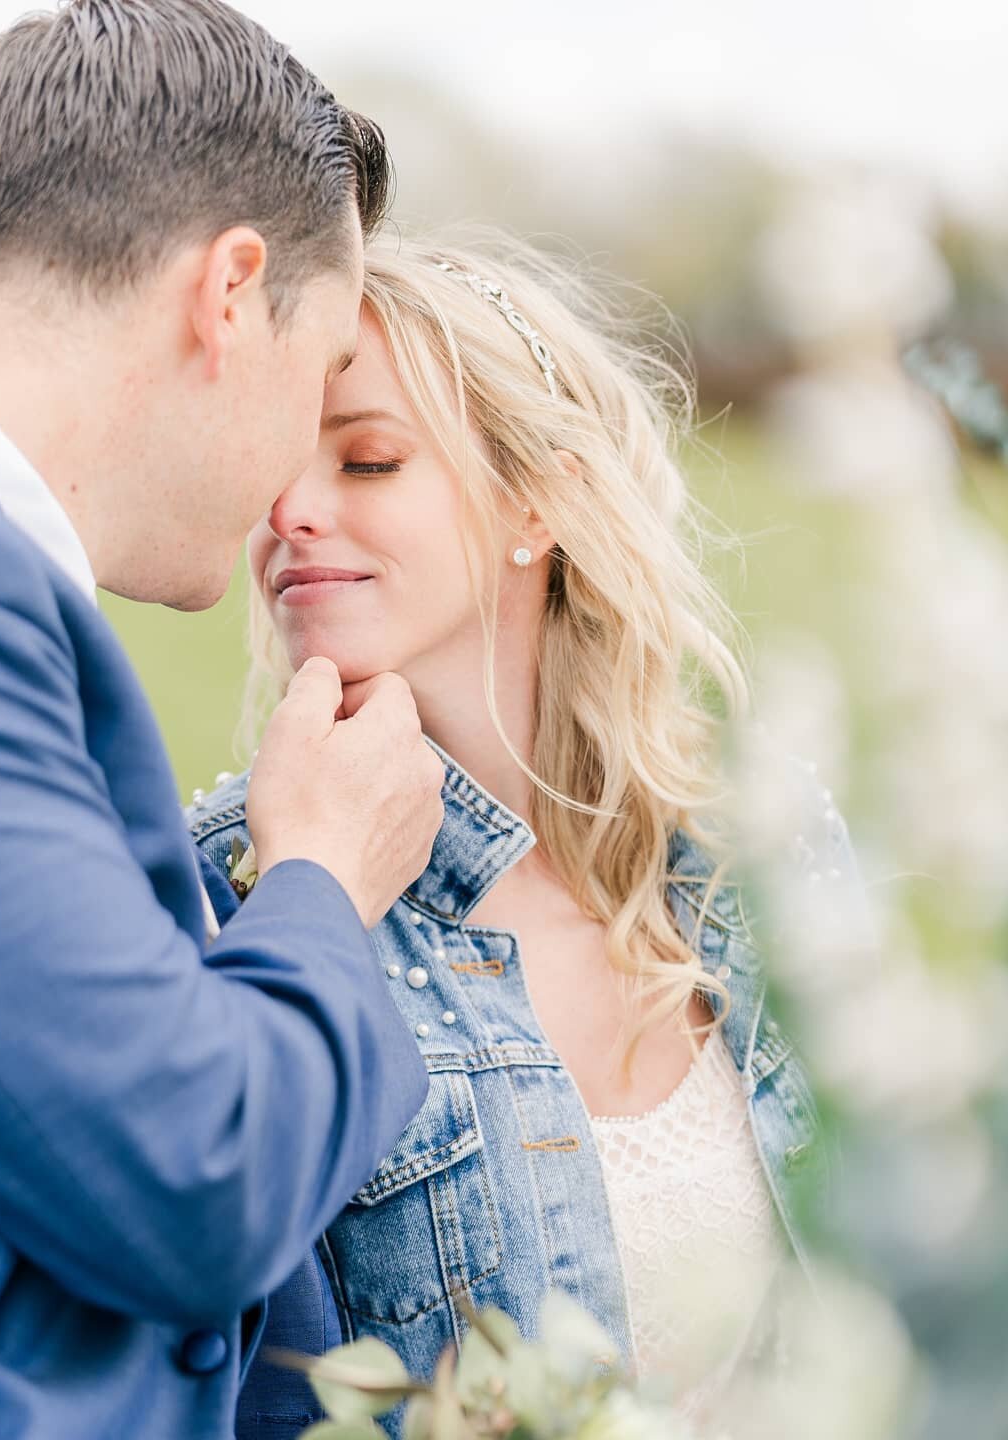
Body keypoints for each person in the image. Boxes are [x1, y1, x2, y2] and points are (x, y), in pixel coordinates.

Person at [0, 4, 446, 1437]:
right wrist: (320, 874)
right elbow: (192, 1171)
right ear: (230, 293)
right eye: (321, 376)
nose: (288, 494)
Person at [190, 234, 861, 1437]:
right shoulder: (226, 893)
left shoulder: (760, 840)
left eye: (370, 458)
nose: (288, 509)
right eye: (276, 460)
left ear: (536, 501)